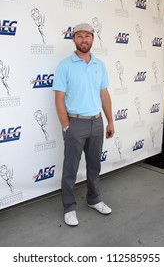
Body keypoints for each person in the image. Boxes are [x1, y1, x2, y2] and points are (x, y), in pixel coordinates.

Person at [53, 23, 115, 226]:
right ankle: (69, 206)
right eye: (79, 36)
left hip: (96, 123)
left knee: (95, 165)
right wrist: (65, 125)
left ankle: (94, 199)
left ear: (93, 39)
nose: (83, 40)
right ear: (73, 39)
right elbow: (59, 98)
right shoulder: (65, 65)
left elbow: (104, 94)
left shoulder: (100, 65)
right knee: (70, 168)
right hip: (75, 124)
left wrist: (110, 121)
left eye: (87, 36)